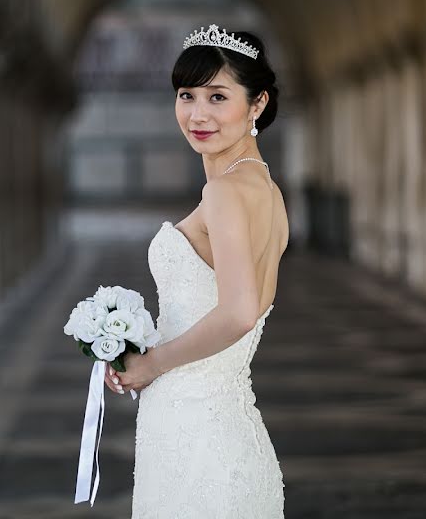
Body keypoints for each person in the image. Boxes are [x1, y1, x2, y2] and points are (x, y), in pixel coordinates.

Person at [106, 25, 288, 516]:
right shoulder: (265, 190)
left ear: (257, 105)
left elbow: (239, 313)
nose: (197, 113)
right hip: (217, 426)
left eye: (217, 96)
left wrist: (152, 363)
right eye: (187, 95)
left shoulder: (226, 193)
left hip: (200, 438)